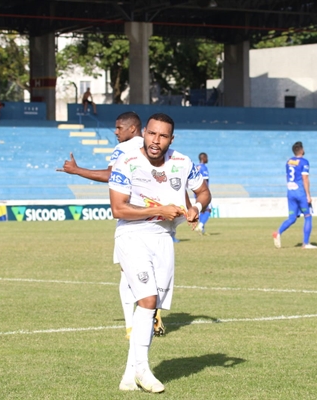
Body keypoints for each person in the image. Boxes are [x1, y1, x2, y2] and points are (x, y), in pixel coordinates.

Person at [108, 112, 211, 393]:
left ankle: (131, 374)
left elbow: (204, 192)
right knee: (147, 298)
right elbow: (118, 209)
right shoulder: (126, 162)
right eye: (152, 134)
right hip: (132, 234)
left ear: (171, 139)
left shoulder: (183, 162)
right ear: (144, 134)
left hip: (165, 238)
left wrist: (195, 210)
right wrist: (159, 210)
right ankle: (142, 369)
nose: (156, 141)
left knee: (151, 306)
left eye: (163, 136)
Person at [58, 112, 166, 339]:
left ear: (133, 129)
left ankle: (132, 326)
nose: (116, 132)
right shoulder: (154, 147)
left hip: (131, 217)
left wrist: (77, 171)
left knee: (127, 273)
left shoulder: (125, 148)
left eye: (119, 128)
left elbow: (110, 174)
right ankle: (151, 312)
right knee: (152, 271)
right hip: (157, 219)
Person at [273, 141, 317, 249]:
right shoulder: (304, 162)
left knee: (292, 218)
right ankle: (305, 243)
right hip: (300, 192)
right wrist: (308, 195)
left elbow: (287, 176)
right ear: (301, 150)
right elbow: (305, 179)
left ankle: (278, 232)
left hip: (290, 192)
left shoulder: (289, 161)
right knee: (308, 216)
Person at [194, 152, 211, 236]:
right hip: (203, 192)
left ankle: (202, 230)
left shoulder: (196, 167)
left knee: (201, 210)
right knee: (208, 209)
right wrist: (206, 193)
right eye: (206, 157)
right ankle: (200, 226)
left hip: (196, 192)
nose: (207, 159)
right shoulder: (203, 167)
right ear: (203, 158)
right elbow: (204, 181)